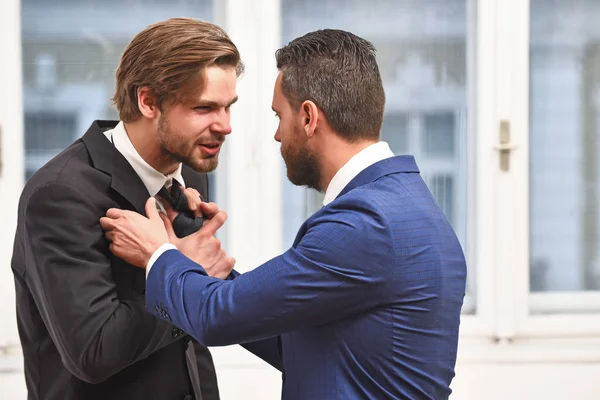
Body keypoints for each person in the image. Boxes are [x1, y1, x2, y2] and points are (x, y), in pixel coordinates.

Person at [101, 29, 468, 399]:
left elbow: (216, 317)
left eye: (279, 116)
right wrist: (214, 267)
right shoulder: (405, 205)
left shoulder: (364, 222)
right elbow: (297, 344)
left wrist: (156, 254)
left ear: (308, 117)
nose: (277, 135)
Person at [11, 18, 242, 400]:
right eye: (204, 108)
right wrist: (185, 275)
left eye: (228, 107)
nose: (225, 126)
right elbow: (93, 353)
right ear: (148, 101)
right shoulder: (59, 195)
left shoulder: (190, 174)